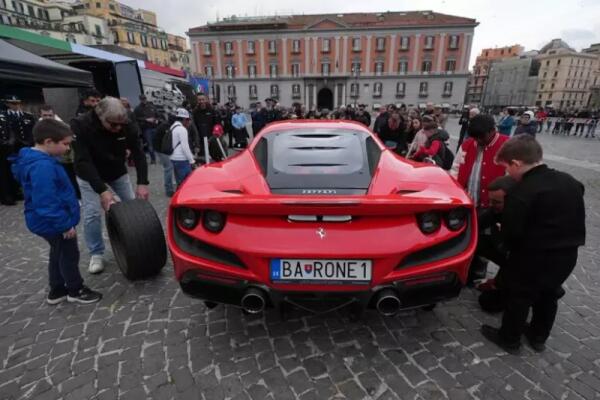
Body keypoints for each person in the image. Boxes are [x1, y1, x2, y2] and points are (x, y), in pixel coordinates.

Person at [481, 135, 585, 354]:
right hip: (567, 254)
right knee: (549, 294)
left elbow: (512, 235)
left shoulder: (521, 192)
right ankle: (538, 336)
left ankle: (509, 338)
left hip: (533, 257)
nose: (507, 173)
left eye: (506, 168)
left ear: (516, 163)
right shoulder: (569, 180)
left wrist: (502, 235)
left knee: (520, 296)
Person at [10, 119, 102, 304]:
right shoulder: (42, 167)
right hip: (54, 223)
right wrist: (64, 225)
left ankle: (57, 289)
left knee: (57, 252)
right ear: (49, 142)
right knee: (68, 254)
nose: (68, 149)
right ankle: (75, 289)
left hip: (48, 221)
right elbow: (46, 202)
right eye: (65, 144)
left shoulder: (41, 161)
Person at [71, 97, 149, 274]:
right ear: (100, 116)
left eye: (121, 125)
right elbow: (83, 161)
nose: (118, 128)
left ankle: (138, 243)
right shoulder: (80, 124)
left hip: (116, 170)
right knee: (92, 213)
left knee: (132, 207)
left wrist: (142, 182)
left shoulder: (127, 122)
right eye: (113, 125)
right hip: (89, 173)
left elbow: (138, 153)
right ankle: (96, 253)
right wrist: (102, 190)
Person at [451, 114, 509, 283]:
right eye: (475, 137)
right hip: (468, 200)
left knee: (486, 239)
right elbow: (455, 168)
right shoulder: (468, 144)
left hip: (489, 205)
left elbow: (511, 175)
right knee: (466, 238)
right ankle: (464, 268)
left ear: (492, 131)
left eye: (481, 137)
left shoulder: (506, 145)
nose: (478, 141)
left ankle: (479, 270)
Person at [475, 175, 517, 313]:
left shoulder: (524, 218)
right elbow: (476, 224)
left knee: (489, 303)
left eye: (496, 202)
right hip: (507, 253)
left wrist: (497, 284)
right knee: (476, 241)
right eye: (490, 200)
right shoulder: (495, 210)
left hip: (527, 265)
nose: (491, 204)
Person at [169, 108, 196, 186]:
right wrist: (192, 160)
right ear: (184, 119)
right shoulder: (182, 130)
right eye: (188, 119)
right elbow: (185, 147)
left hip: (173, 158)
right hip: (182, 159)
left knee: (179, 182)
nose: (189, 122)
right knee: (186, 183)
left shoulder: (172, 127)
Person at [152, 113, 177, 197]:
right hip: (161, 149)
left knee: (170, 166)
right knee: (168, 167)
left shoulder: (167, 126)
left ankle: (171, 185)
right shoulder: (166, 127)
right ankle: (169, 190)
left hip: (162, 148)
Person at [134, 94, 160, 164]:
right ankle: (153, 159)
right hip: (146, 129)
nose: (144, 100)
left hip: (155, 127)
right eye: (142, 99)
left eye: (144, 99)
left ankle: (161, 158)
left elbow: (158, 115)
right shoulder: (137, 109)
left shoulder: (152, 106)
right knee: (150, 144)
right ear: (140, 100)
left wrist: (157, 120)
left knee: (158, 143)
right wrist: (146, 119)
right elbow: (136, 118)